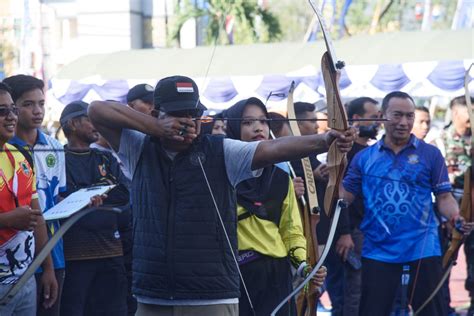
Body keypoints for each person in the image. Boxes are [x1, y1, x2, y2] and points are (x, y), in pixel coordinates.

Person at [88, 75, 356, 316]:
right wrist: (158, 128)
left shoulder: (221, 151)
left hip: (211, 293)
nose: (187, 123)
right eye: (178, 115)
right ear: (158, 114)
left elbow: (273, 148)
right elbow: (97, 110)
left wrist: (325, 141)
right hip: (152, 293)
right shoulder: (139, 148)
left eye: (193, 115)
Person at [341, 91, 473, 316]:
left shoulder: (430, 154)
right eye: (397, 115)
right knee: (372, 311)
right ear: (383, 116)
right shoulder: (364, 158)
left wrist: (454, 217)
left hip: (422, 245)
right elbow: (344, 198)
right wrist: (330, 176)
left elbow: (444, 197)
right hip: (377, 248)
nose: (404, 122)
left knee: (431, 310)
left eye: (409, 116)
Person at [225, 98, 326, 316]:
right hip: (235, 274)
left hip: (276, 274)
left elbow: (291, 231)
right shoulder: (220, 174)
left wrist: (303, 264)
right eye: (247, 122)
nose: (258, 127)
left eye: (263, 121)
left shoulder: (281, 177)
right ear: (233, 128)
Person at [59, 100, 130, 316]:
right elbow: (63, 198)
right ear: (72, 124)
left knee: (115, 310)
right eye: (90, 119)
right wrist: (93, 193)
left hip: (111, 251)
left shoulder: (105, 157)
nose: (96, 125)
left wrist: (87, 194)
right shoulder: (58, 159)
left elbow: (122, 194)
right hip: (75, 255)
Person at [3, 74, 66, 316]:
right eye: (28, 104)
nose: (37, 111)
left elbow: (51, 201)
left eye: (41, 103)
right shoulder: (9, 149)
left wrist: (83, 202)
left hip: (50, 254)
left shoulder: (53, 147)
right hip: (12, 263)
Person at [339, 97, 380, 316]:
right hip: (355, 231)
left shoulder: (373, 151)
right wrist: (345, 232)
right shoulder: (347, 151)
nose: (379, 121)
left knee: (374, 288)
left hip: (374, 230)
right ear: (357, 118)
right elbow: (340, 197)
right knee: (355, 289)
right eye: (374, 117)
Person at [440, 95, 473, 314]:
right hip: (448, 210)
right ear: (455, 113)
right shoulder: (440, 140)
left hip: (472, 210)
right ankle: (443, 307)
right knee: (444, 262)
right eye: (468, 111)